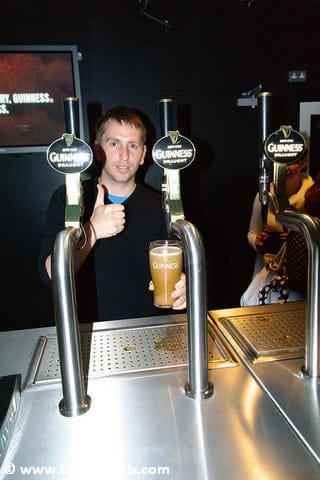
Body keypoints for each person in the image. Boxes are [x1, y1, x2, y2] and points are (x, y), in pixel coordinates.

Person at [38, 106, 186, 322]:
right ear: (98, 150)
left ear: (143, 154)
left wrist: (183, 286)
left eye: (132, 145)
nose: (124, 155)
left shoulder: (160, 205)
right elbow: (50, 275)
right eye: (114, 143)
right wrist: (93, 230)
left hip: (144, 331)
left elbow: (180, 273)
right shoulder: (69, 198)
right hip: (83, 336)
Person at [240, 152, 314, 306]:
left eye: (290, 162)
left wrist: (297, 241)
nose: (284, 167)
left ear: (303, 163)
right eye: (280, 162)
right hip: (268, 271)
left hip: (303, 279)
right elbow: (252, 233)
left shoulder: (313, 198)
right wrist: (258, 242)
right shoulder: (264, 196)